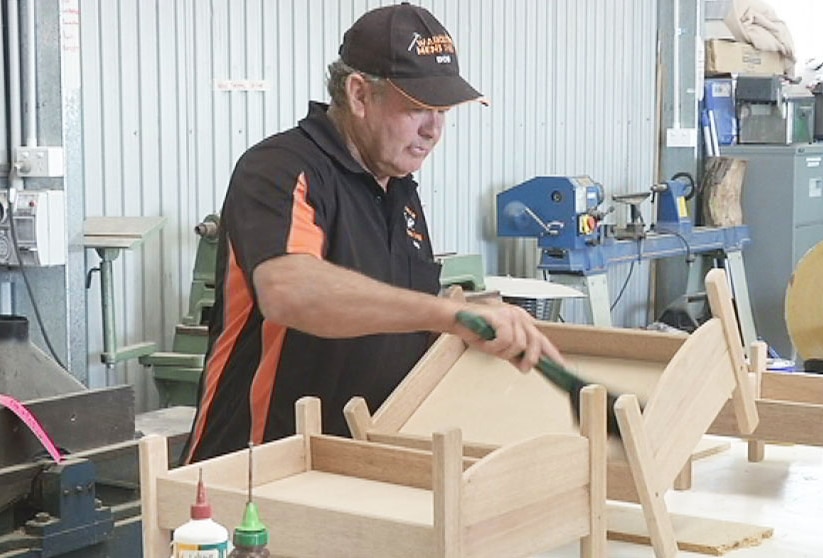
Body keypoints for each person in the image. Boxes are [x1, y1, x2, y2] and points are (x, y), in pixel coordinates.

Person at [182, 2, 564, 464]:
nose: (433, 130)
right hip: (255, 469)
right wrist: (444, 315)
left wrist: (473, 317)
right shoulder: (281, 169)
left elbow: (401, 313)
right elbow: (291, 292)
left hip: (357, 463)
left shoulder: (400, 188)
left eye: (442, 111)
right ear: (360, 94)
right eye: (419, 109)